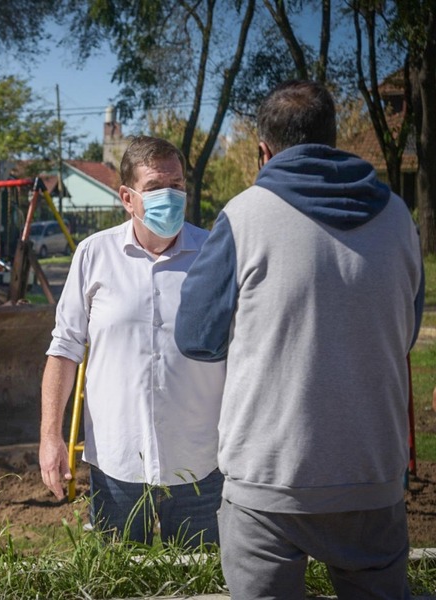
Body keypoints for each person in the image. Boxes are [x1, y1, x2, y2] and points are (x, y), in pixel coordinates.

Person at [174, 80, 424, 598]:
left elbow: (195, 337)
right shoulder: (400, 218)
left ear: (263, 151)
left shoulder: (243, 217)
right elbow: (406, 331)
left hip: (268, 481)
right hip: (372, 475)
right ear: (333, 142)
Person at [39, 135, 227, 547]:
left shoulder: (215, 254)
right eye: (156, 188)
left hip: (199, 462)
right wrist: (50, 435)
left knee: (205, 581)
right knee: (120, 583)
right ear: (127, 197)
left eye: (177, 186)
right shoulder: (93, 255)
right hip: (117, 463)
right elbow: (64, 350)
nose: (171, 197)